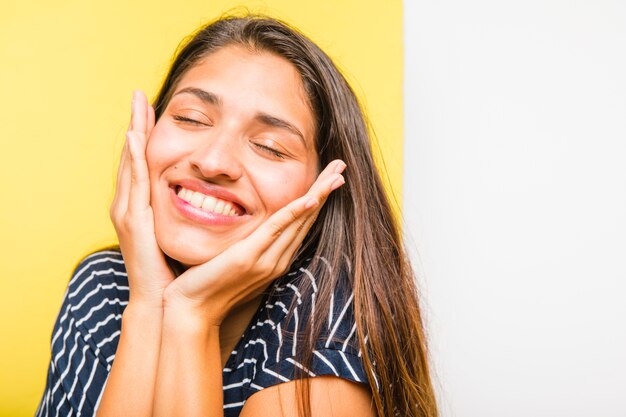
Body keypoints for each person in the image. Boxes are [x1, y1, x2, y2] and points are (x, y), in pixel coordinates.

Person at [35, 14, 438, 417]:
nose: (213, 161)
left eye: (270, 146)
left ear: (322, 188)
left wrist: (193, 316)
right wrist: (146, 306)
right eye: (191, 118)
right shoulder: (101, 286)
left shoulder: (325, 323)